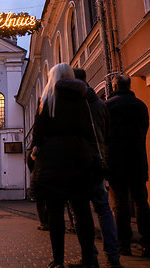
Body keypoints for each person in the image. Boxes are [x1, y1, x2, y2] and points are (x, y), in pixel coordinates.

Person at [32, 63, 96, 268]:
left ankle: (58, 261)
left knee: (56, 213)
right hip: (79, 158)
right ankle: (89, 260)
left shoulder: (47, 100)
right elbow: (89, 130)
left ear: (53, 77)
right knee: (83, 211)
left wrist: (36, 151)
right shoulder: (82, 99)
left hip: (53, 161)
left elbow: (39, 133)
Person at [71, 68, 122, 268]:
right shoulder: (101, 105)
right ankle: (113, 256)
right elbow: (108, 133)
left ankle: (89, 257)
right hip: (99, 161)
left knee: (80, 211)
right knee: (103, 209)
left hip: (79, 163)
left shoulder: (73, 104)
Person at [105, 74, 150, 258]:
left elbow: (104, 134)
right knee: (142, 202)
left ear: (115, 86)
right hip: (137, 159)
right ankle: (148, 245)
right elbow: (144, 129)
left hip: (115, 162)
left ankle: (124, 246)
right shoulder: (140, 105)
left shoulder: (108, 106)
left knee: (120, 205)